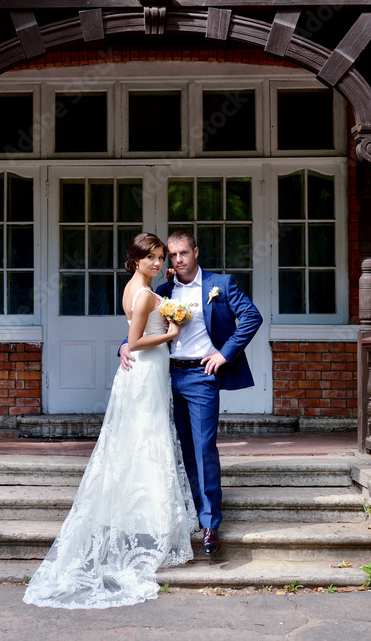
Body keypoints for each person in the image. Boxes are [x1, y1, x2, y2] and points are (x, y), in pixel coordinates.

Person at [22, 233, 198, 609]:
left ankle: (141, 519)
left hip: (142, 374)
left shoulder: (132, 288)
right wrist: (171, 332)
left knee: (139, 440)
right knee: (149, 439)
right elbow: (134, 342)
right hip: (146, 369)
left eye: (161, 258)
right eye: (151, 258)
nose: (158, 264)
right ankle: (149, 525)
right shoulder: (147, 294)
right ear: (136, 260)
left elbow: (132, 336)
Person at [120, 230, 262, 556]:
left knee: (202, 447)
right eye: (172, 255)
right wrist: (124, 346)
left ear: (195, 251)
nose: (178, 260)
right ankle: (195, 510)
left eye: (184, 253)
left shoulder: (220, 285)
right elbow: (143, 325)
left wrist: (224, 354)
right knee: (183, 449)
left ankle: (211, 523)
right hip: (168, 376)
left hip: (202, 375)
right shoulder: (165, 289)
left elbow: (251, 317)